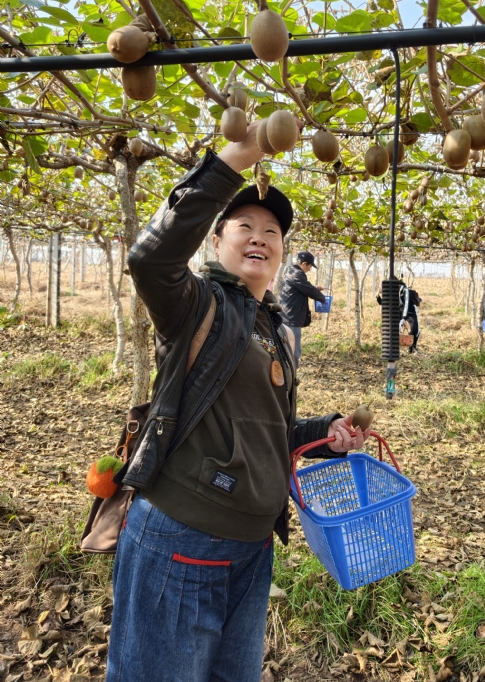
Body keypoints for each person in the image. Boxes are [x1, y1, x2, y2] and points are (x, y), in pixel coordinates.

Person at [106, 122, 370, 682]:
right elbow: (149, 260)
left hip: (252, 549)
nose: (259, 236)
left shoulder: (271, 325)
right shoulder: (195, 304)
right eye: (244, 224)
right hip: (183, 535)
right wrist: (232, 160)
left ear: (281, 251)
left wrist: (326, 434)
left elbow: (270, 426)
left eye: (272, 231)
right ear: (216, 240)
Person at [278, 251, 325, 369]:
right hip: (291, 318)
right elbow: (307, 289)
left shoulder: (291, 271)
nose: (310, 269)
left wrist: (314, 289)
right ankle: (291, 378)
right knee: (293, 351)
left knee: (286, 349)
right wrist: (322, 298)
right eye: (310, 266)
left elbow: (303, 288)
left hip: (286, 316)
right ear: (304, 264)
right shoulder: (297, 274)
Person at [376, 277, 421, 354]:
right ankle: (393, 348)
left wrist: (403, 319)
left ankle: (413, 347)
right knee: (393, 328)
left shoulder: (405, 290)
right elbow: (383, 302)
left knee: (415, 329)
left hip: (410, 310)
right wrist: (378, 295)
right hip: (398, 310)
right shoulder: (390, 291)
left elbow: (406, 305)